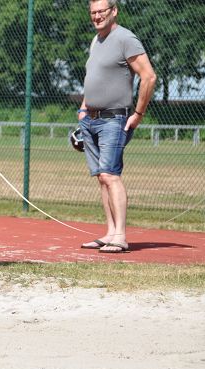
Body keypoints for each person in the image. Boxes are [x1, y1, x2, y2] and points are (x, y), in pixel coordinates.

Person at [78, 0, 156, 253]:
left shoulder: (125, 39)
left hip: (114, 119)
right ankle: (110, 232)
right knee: (102, 177)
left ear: (114, 11)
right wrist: (83, 108)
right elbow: (94, 77)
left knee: (111, 175)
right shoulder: (96, 40)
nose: (97, 16)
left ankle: (120, 236)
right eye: (93, 13)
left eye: (101, 11)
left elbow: (149, 76)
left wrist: (138, 114)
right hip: (90, 118)